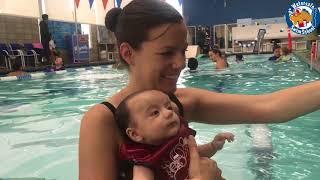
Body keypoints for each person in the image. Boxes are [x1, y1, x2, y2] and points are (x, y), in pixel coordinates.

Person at [79, 1, 320, 180]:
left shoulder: (180, 102)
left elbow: (268, 107)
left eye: (182, 51)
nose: (180, 63)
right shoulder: (102, 121)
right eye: (166, 53)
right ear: (128, 53)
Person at [115, 90, 234, 179]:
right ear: (135, 134)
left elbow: (193, 155)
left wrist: (213, 146)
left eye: (168, 107)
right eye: (155, 112)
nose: (168, 113)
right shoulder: (144, 160)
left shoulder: (179, 139)